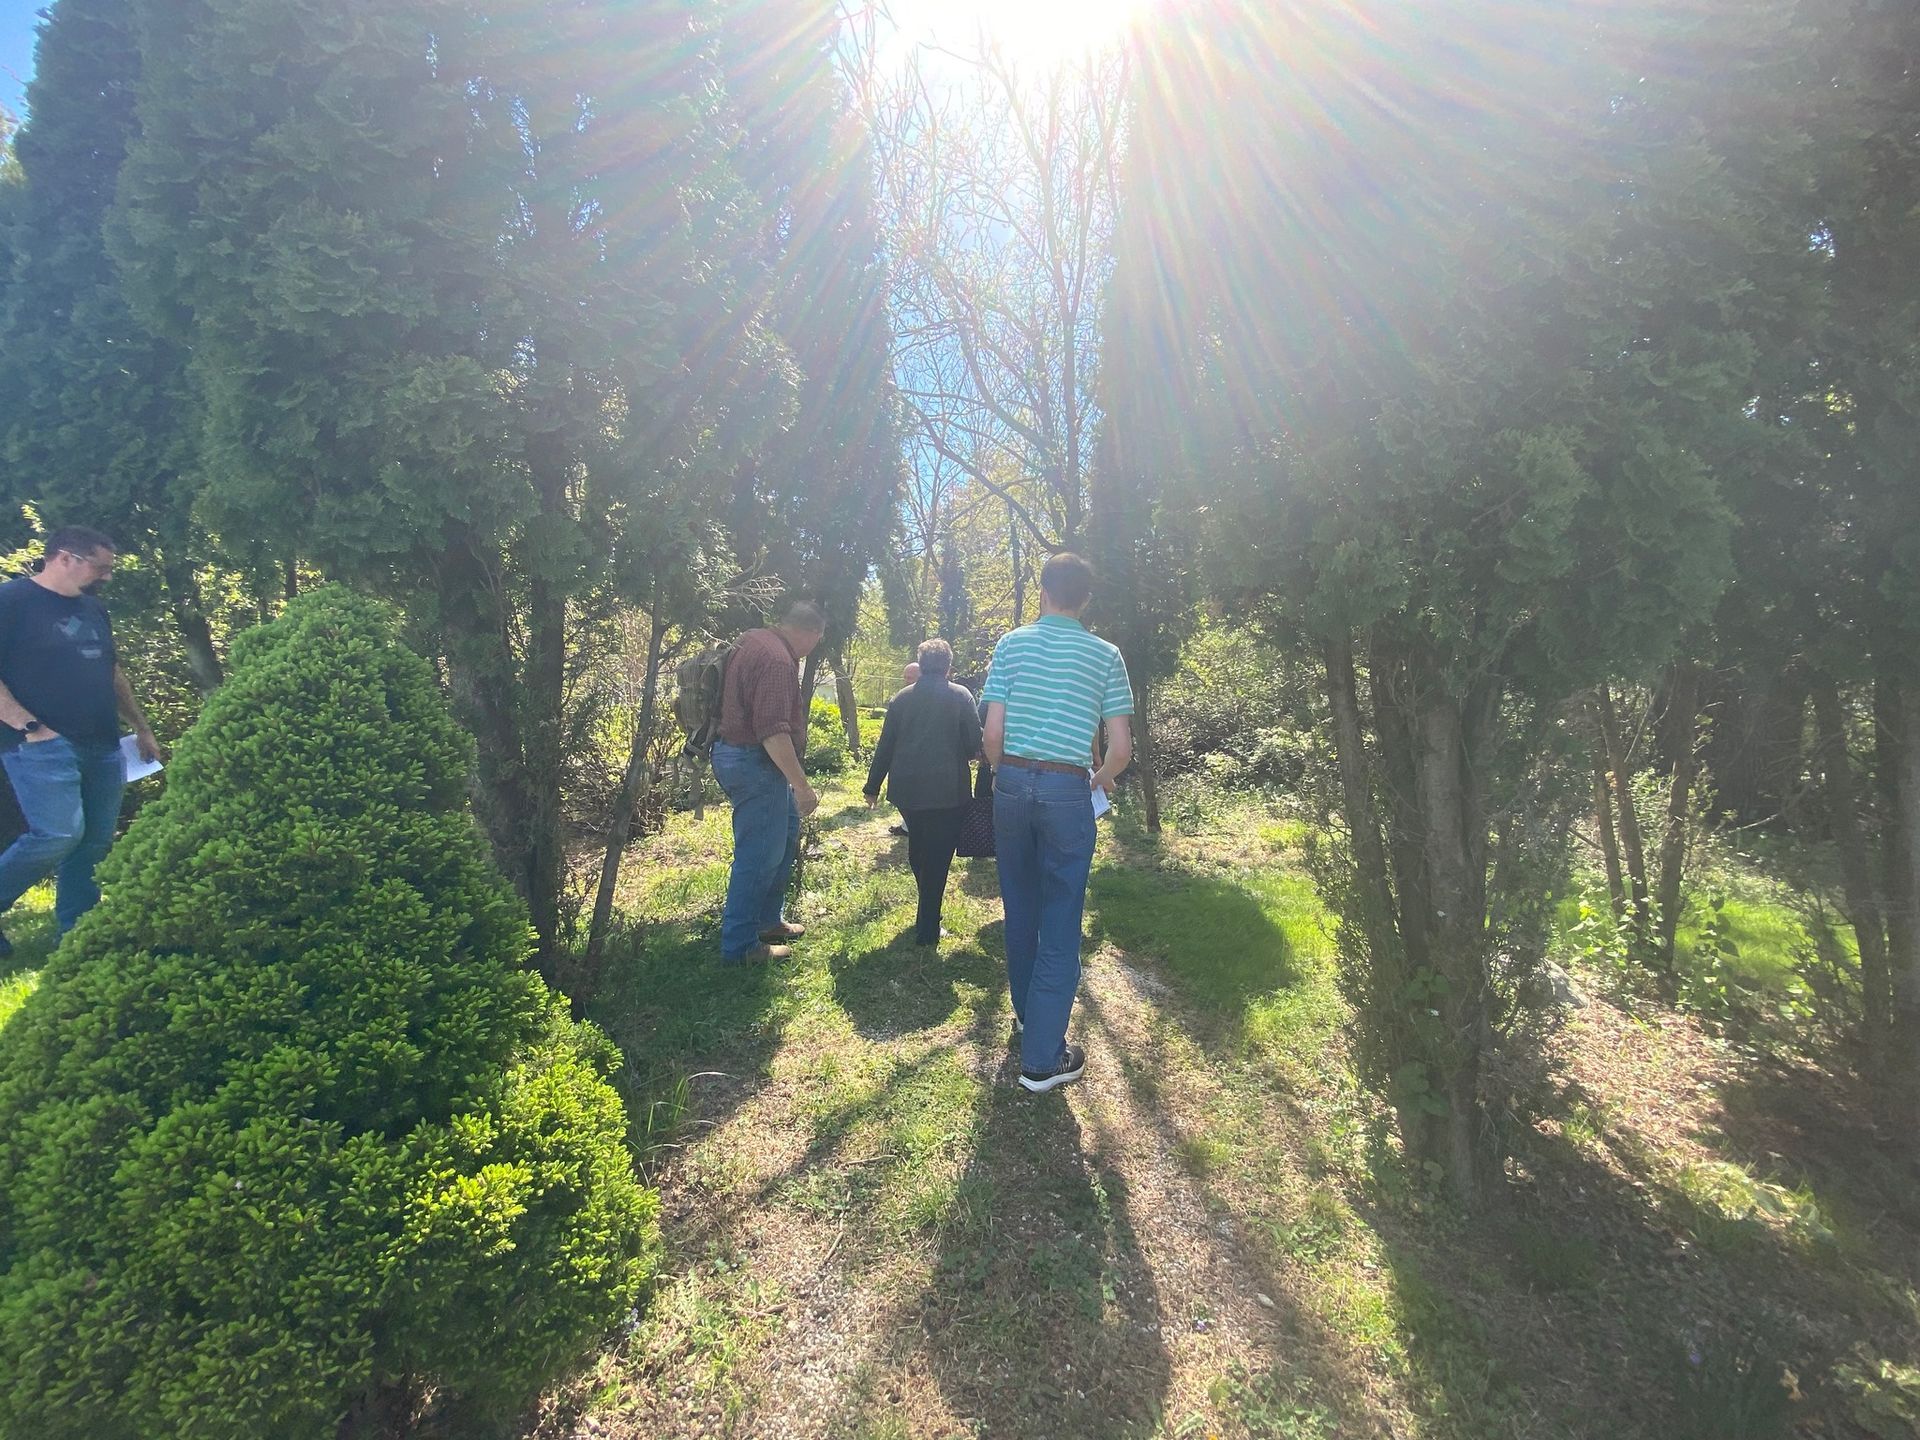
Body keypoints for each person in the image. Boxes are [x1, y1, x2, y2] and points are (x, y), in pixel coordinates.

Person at [981, 553, 1133, 1092]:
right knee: (1062, 916)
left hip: (1012, 785)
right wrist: (1096, 778)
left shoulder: (1011, 644)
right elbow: (1120, 749)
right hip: (1070, 788)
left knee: (1020, 907)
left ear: (1042, 590)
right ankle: (1042, 1058)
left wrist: (1007, 775)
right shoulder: (1105, 655)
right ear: (1086, 599)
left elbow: (992, 736)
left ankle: (1027, 1016)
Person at [0, 527, 161, 951]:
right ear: (65, 557)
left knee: (92, 842)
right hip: (39, 742)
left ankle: (78, 937)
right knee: (57, 835)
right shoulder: (11, 601)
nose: (106, 577)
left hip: (103, 742)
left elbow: (112, 672)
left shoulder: (95, 610)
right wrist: (30, 727)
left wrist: (141, 727)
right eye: (100, 567)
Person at [711, 600, 826, 964]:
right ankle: (740, 947)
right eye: (817, 641)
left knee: (786, 832)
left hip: (736, 755)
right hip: (753, 763)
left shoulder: (753, 638)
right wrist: (803, 787)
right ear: (810, 633)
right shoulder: (777, 660)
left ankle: (767, 920)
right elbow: (773, 733)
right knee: (759, 854)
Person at [863, 639, 983, 947]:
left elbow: (886, 744)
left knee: (919, 851)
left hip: (908, 791)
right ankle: (928, 929)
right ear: (948, 666)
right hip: (948, 791)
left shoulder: (902, 699)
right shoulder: (961, 696)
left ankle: (927, 910)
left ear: (921, 662)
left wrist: (872, 786)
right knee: (938, 858)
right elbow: (973, 744)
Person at [887, 660, 922, 837]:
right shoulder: (901, 698)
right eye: (906, 677)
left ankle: (912, 828)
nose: (907, 681)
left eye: (911, 677)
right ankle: (908, 827)